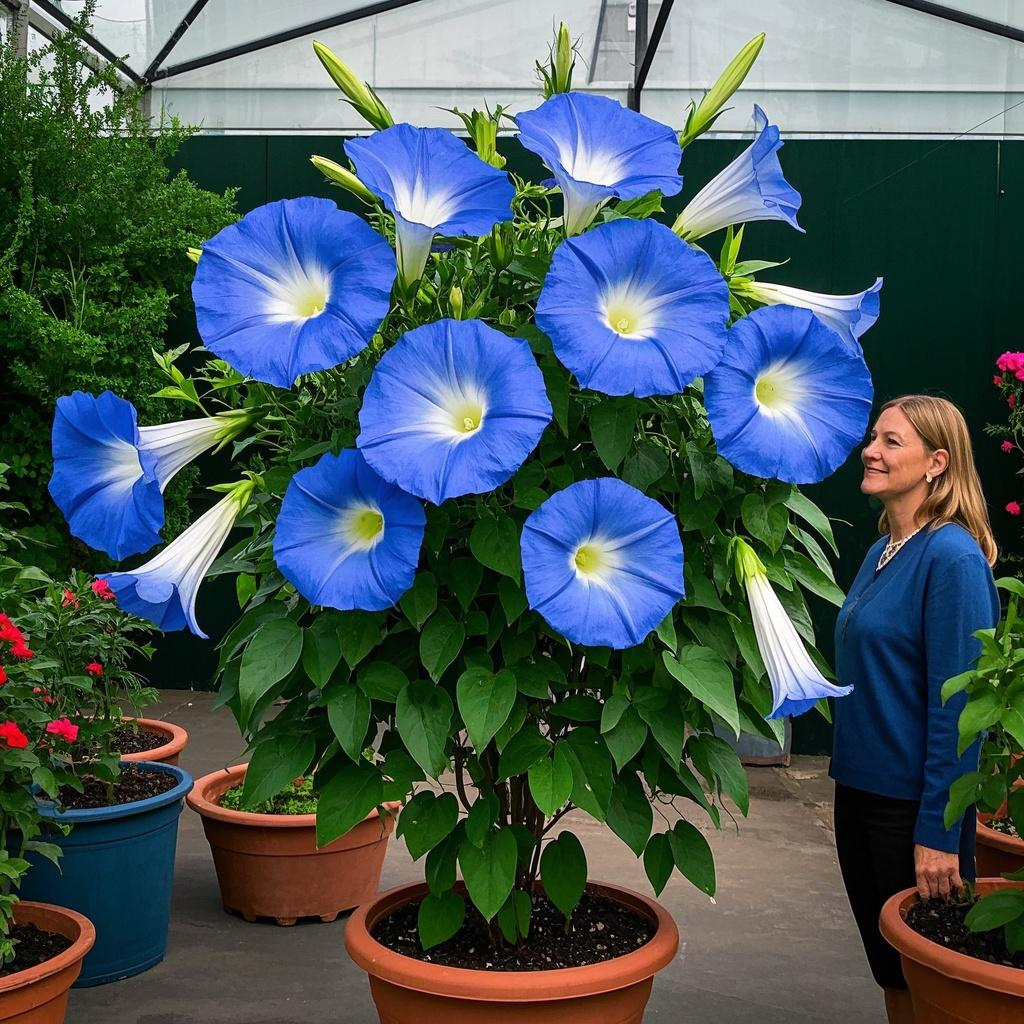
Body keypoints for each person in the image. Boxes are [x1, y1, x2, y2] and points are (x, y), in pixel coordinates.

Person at [829, 395, 1000, 1024]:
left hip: (910, 811)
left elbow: (962, 710)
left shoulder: (950, 558)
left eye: (891, 441)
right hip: (860, 794)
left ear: (937, 462)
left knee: (925, 977)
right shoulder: (882, 552)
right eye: (873, 436)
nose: (871, 450)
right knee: (891, 969)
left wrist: (937, 832)